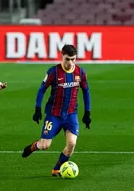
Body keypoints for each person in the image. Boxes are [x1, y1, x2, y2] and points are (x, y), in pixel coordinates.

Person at [21, 44, 91, 177]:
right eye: (67, 59)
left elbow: (86, 91)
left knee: (71, 144)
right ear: (61, 57)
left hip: (71, 114)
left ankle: (57, 169)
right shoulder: (53, 72)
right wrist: (37, 109)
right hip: (54, 115)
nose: (70, 63)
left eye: (73, 59)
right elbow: (42, 90)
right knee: (45, 145)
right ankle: (32, 147)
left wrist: (87, 113)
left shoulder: (80, 72)